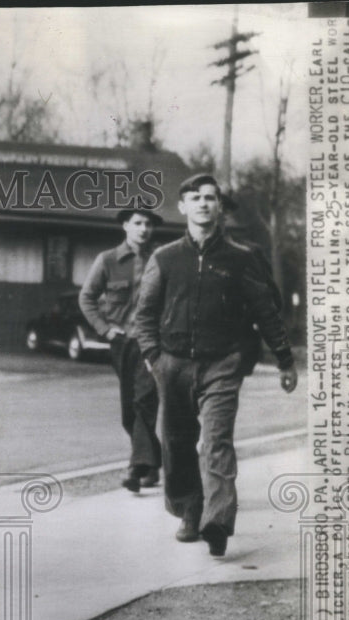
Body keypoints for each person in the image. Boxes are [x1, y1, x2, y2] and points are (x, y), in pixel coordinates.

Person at [133, 173, 298, 557]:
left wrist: (285, 360)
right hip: (172, 365)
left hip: (222, 365)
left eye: (210, 197)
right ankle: (190, 509)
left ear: (219, 206)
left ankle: (218, 520)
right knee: (174, 441)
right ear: (183, 207)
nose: (203, 203)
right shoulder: (165, 258)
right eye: (195, 197)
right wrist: (153, 358)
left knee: (216, 441)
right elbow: (145, 314)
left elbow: (266, 312)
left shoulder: (241, 259)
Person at [79, 208, 163, 492]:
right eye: (138, 223)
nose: (144, 229)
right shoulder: (108, 260)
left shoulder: (162, 259)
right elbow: (87, 298)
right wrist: (104, 329)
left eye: (149, 224)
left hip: (153, 343)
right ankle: (152, 463)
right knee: (130, 410)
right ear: (126, 226)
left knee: (144, 400)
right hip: (122, 343)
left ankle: (136, 468)